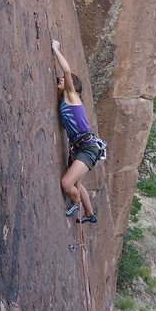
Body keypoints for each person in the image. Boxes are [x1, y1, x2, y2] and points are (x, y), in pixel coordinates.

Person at [52, 39, 99, 224]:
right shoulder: (65, 102)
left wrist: (55, 48)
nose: (61, 80)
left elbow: (66, 71)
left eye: (65, 81)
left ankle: (76, 203)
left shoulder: (72, 97)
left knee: (67, 184)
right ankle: (90, 215)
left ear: (73, 87)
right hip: (80, 148)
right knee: (78, 184)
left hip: (88, 148)